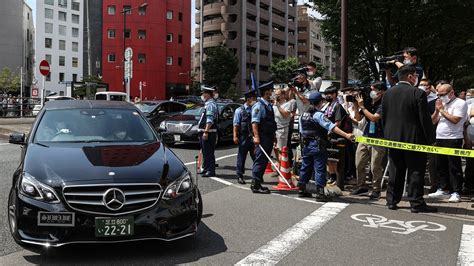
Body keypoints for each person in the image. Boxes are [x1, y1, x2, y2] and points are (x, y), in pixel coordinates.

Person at [382, 65, 437, 213]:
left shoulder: (388, 93)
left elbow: (384, 118)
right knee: (415, 171)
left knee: (395, 170)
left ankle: (392, 200)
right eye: (415, 75)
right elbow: (424, 120)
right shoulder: (418, 93)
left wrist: (386, 135)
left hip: (392, 138)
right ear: (410, 77)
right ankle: (416, 203)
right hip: (414, 139)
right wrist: (431, 139)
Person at [298, 92, 354, 201]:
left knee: (306, 166)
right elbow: (332, 127)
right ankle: (320, 193)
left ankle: (302, 189)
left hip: (306, 144)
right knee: (319, 168)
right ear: (320, 102)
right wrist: (346, 135)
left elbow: (301, 131)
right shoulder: (318, 115)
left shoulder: (302, 115)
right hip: (318, 145)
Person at [428, 84, 468, 203]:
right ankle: (444, 188)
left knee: (454, 166)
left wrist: (441, 110)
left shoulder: (460, 103)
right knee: (441, 165)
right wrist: (436, 110)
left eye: (442, 94)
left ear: (451, 92)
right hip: (440, 137)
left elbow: (456, 120)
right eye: (438, 94)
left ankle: (456, 191)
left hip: (454, 138)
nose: (440, 97)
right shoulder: (441, 104)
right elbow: (433, 121)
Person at [351, 82, 387, 199]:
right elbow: (357, 118)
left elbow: (374, 118)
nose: (372, 92)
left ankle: (376, 189)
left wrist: (362, 107)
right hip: (365, 135)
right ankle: (361, 186)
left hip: (379, 137)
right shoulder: (367, 102)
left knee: (375, 166)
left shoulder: (384, 103)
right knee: (359, 163)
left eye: (374, 89)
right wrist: (356, 104)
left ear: (381, 91)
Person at [251, 81, 277, 194]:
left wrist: (274, 136)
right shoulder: (259, 106)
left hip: (269, 136)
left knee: (264, 160)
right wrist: (256, 137)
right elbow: (254, 123)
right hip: (262, 136)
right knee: (260, 160)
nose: (272, 93)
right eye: (271, 91)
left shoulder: (269, 105)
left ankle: (258, 182)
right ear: (267, 92)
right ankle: (255, 184)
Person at [322, 86, 351, 184]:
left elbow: (337, 122)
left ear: (334, 94)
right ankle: (331, 175)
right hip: (328, 135)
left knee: (335, 158)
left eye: (329, 94)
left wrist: (330, 129)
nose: (327, 96)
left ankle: (337, 178)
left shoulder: (337, 106)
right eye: (326, 94)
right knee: (328, 157)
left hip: (336, 136)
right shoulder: (328, 105)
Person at [233, 88, 258, 184]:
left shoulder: (255, 109)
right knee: (241, 157)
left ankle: (256, 175)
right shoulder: (239, 110)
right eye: (253, 98)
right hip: (243, 137)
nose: (255, 100)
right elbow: (236, 124)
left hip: (254, 137)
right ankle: (239, 175)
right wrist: (235, 136)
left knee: (256, 157)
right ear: (248, 99)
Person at [273, 88, 296, 172]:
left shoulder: (288, 104)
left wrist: (278, 105)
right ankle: (279, 167)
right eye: (275, 94)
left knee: (281, 150)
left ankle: (283, 170)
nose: (276, 96)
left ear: (283, 95)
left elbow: (286, 114)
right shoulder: (274, 105)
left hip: (282, 130)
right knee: (275, 149)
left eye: (278, 94)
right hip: (274, 130)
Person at [197, 85, 219, 177]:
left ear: (208, 94)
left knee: (209, 152)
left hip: (209, 133)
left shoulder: (210, 105)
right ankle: (206, 168)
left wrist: (206, 132)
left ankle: (210, 170)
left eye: (203, 94)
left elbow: (210, 120)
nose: (202, 96)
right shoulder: (208, 104)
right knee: (205, 152)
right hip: (205, 132)